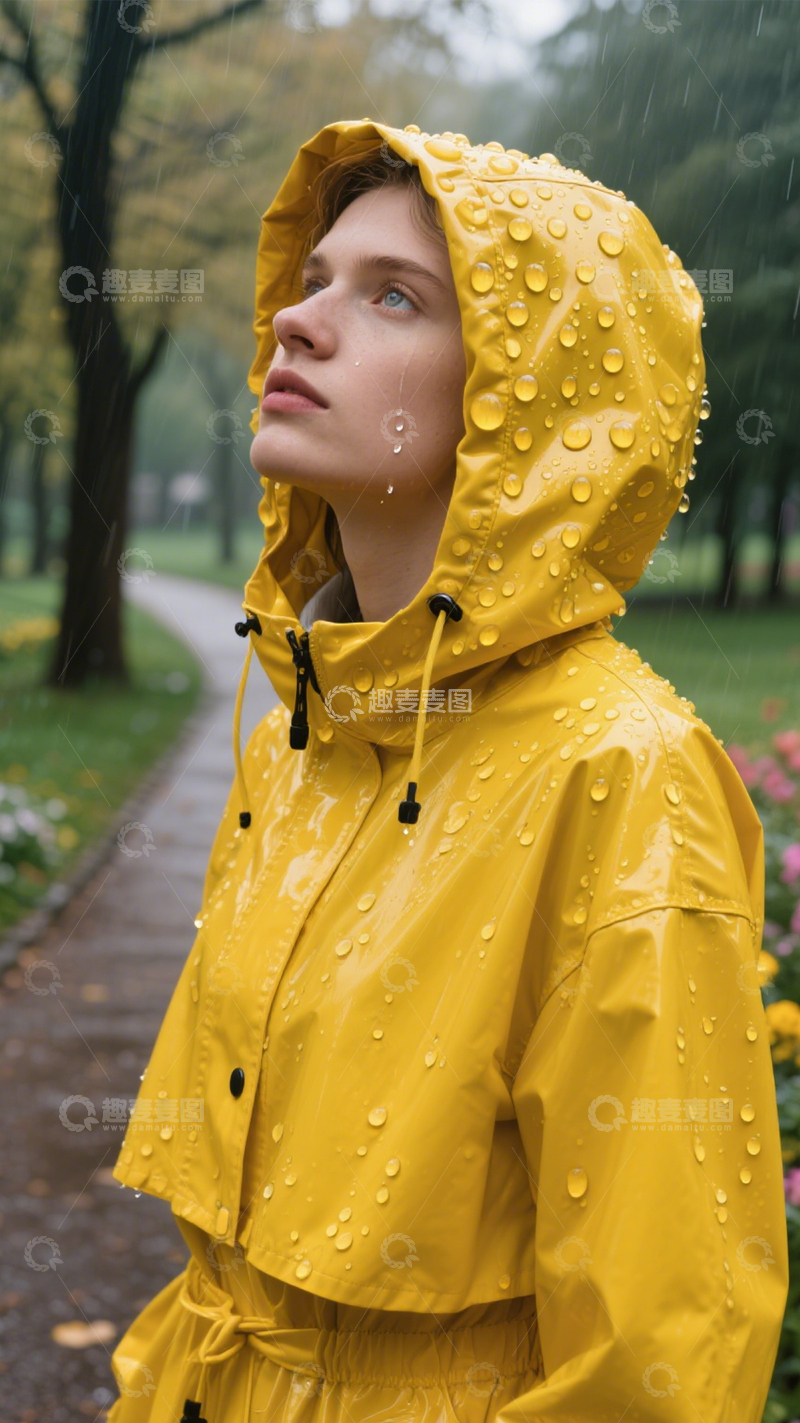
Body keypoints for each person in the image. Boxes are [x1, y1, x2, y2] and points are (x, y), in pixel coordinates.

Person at [107, 120, 788, 1423]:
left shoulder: (621, 779)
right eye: (311, 281)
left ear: (530, 402)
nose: (299, 325)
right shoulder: (303, 727)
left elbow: (663, 1360)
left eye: (394, 296)